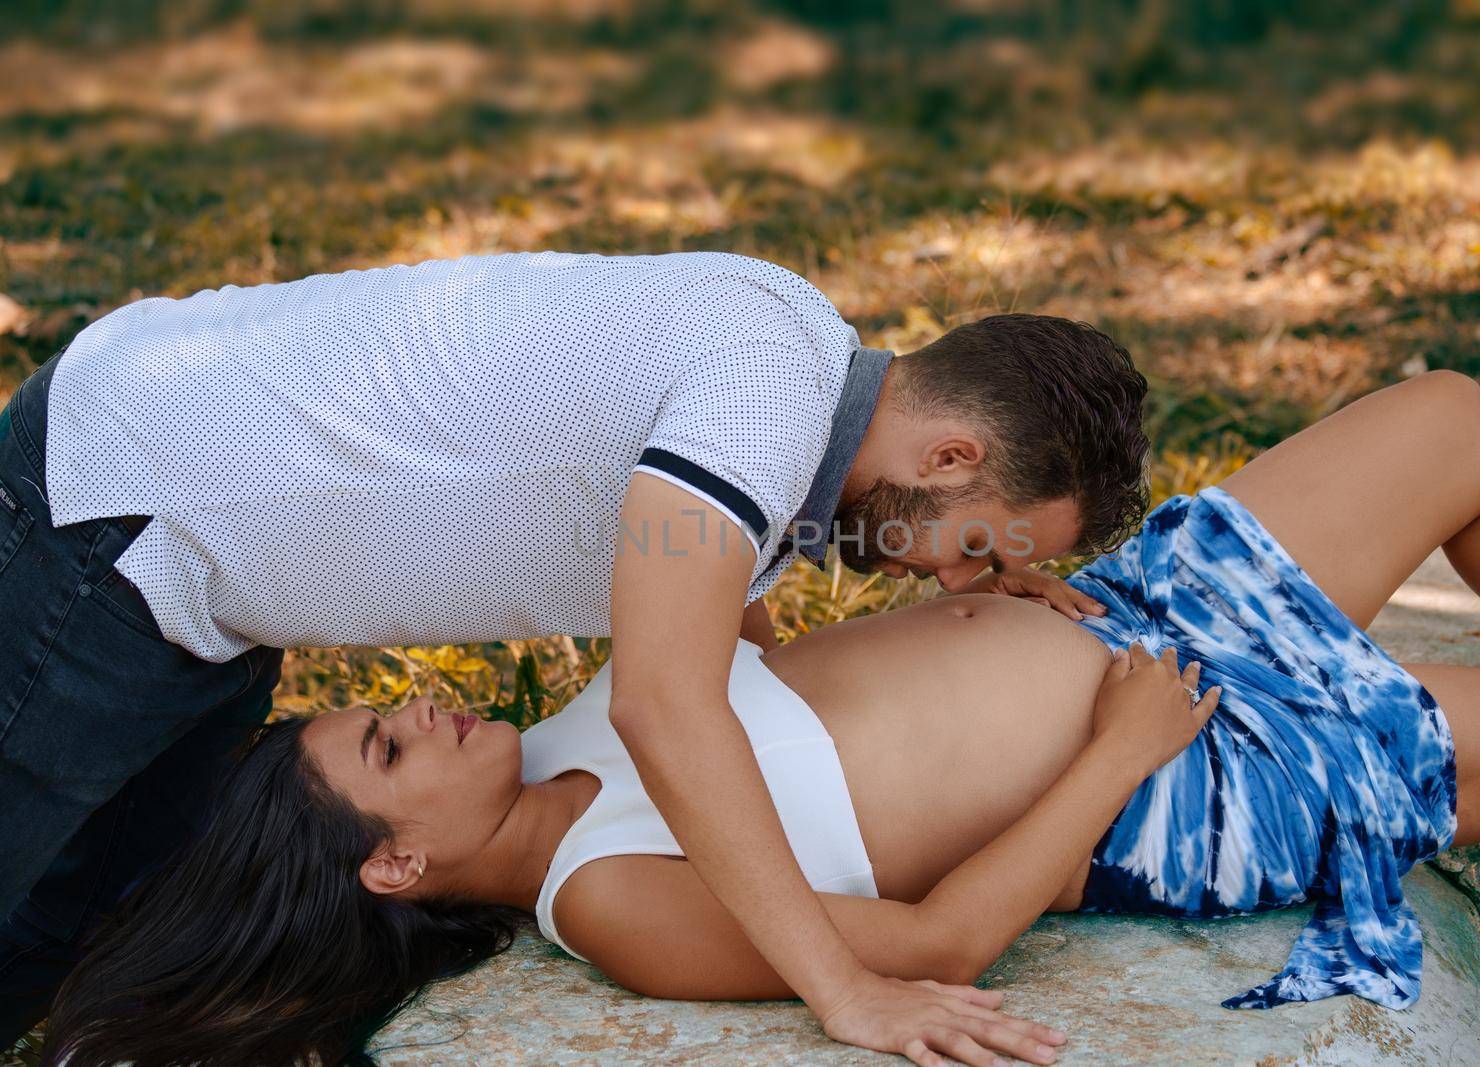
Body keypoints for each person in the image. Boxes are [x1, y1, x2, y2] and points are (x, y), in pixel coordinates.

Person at [42, 370, 1480, 1066]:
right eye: (386, 747)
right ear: (394, 867)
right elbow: (927, 941)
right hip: (1192, 776)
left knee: (1451, 420)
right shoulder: (612, 904)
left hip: (1138, 619)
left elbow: (764, 615)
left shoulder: (600, 713)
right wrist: (1122, 750)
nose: (425, 705)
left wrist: (984, 584)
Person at [0, 250, 1147, 1049]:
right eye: (981, 547)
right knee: (28, 898)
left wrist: (971, 626)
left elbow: (710, 641)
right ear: (948, 458)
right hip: (124, 499)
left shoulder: (787, 389)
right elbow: (666, 702)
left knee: (120, 902)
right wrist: (843, 986)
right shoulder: (759, 405)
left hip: (207, 542)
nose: (963, 576)